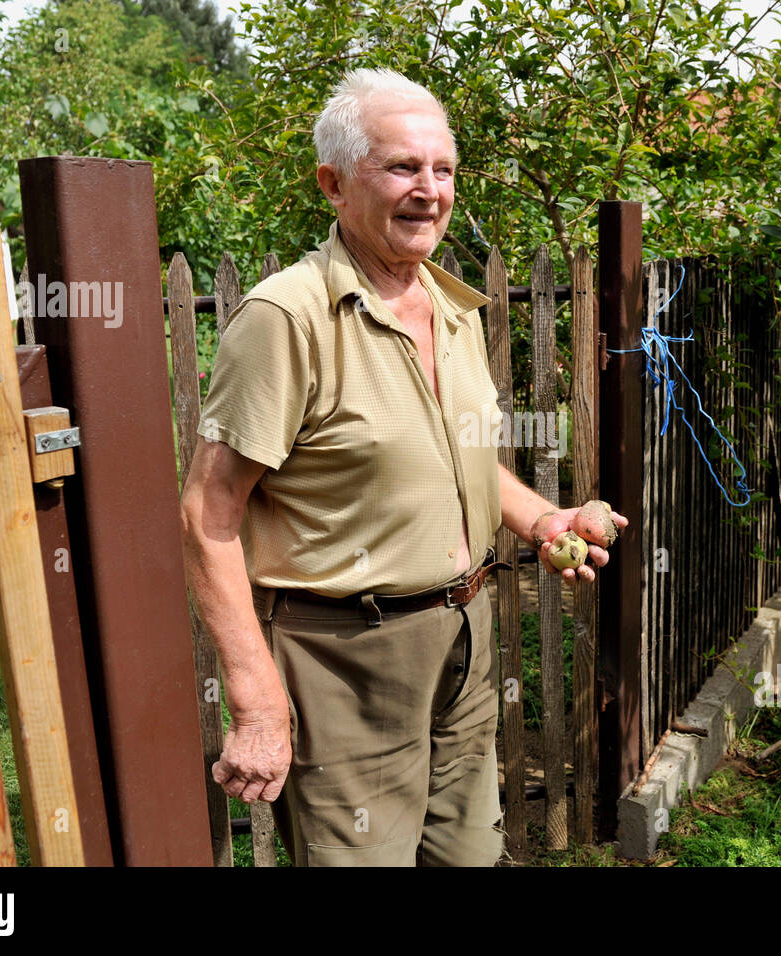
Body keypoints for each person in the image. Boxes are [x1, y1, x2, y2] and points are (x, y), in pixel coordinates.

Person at [178, 67, 627, 867]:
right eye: (401, 167)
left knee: (466, 857)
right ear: (334, 184)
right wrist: (254, 699)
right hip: (343, 657)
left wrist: (538, 519)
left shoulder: (449, 306)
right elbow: (207, 516)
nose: (429, 190)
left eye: (443, 169)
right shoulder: (286, 318)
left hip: (464, 637)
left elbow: (457, 464)